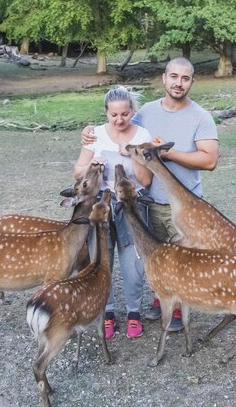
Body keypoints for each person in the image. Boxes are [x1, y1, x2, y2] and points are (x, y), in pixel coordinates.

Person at [81, 58, 219, 332]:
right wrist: (88, 134)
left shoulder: (200, 116)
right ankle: (161, 299)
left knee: (181, 256)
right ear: (164, 78)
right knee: (154, 256)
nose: (178, 83)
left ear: (192, 81)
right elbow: (119, 126)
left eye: (185, 78)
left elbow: (210, 161)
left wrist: (164, 153)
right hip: (147, 199)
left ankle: (179, 307)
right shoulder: (146, 112)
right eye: (174, 77)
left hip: (183, 203)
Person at [75, 86, 153, 339]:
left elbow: (146, 180)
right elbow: (77, 172)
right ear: (106, 113)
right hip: (100, 204)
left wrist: (133, 155)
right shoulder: (95, 135)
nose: (119, 120)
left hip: (131, 204)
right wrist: (91, 166)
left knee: (132, 262)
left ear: (132, 112)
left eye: (125, 114)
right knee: (102, 258)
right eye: (114, 115)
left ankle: (133, 313)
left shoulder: (142, 134)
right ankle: (106, 312)